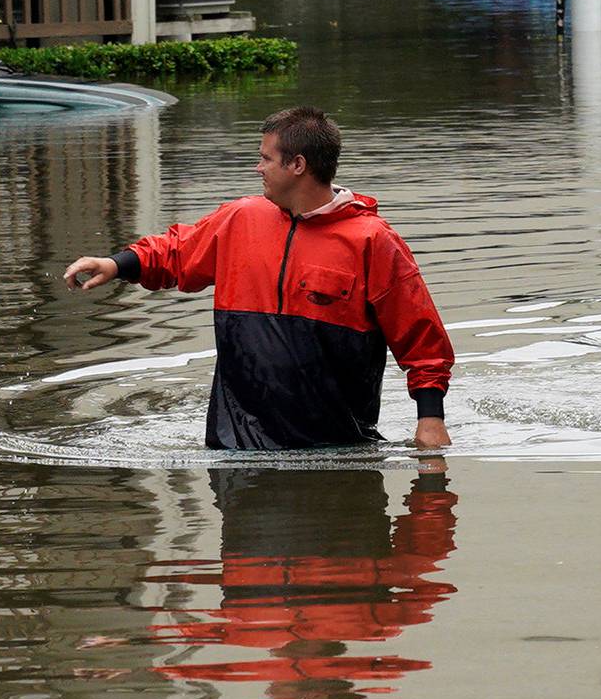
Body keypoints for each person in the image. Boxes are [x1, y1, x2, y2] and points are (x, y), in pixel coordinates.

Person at [63, 104, 453, 452]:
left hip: (336, 452)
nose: (258, 167)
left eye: (266, 158)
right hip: (232, 447)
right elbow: (176, 251)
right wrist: (117, 265)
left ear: (297, 165)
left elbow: (420, 336)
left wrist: (430, 419)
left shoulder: (373, 241)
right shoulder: (240, 219)